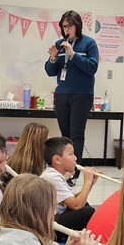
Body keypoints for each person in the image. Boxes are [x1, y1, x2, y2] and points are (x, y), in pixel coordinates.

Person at [45, 11, 99, 165]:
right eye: (63, 26)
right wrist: (53, 58)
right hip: (62, 94)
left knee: (76, 134)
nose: (66, 29)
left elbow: (92, 67)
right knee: (65, 135)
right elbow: (50, 71)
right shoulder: (59, 44)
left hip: (82, 95)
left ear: (77, 25)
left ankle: (75, 170)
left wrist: (73, 54)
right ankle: (65, 168)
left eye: (69, 26)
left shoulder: (89, 43)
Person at [40, 136, 97, 233]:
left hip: (56, 217)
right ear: (57, 160)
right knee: (87, 212)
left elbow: (74, 200)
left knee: (86, 206)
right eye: (71, 154)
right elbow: (76, 205)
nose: (75, 158)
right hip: (50, 224)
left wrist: (90, 183)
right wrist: (87, 182)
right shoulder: (53, 177)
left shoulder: (55, 175)